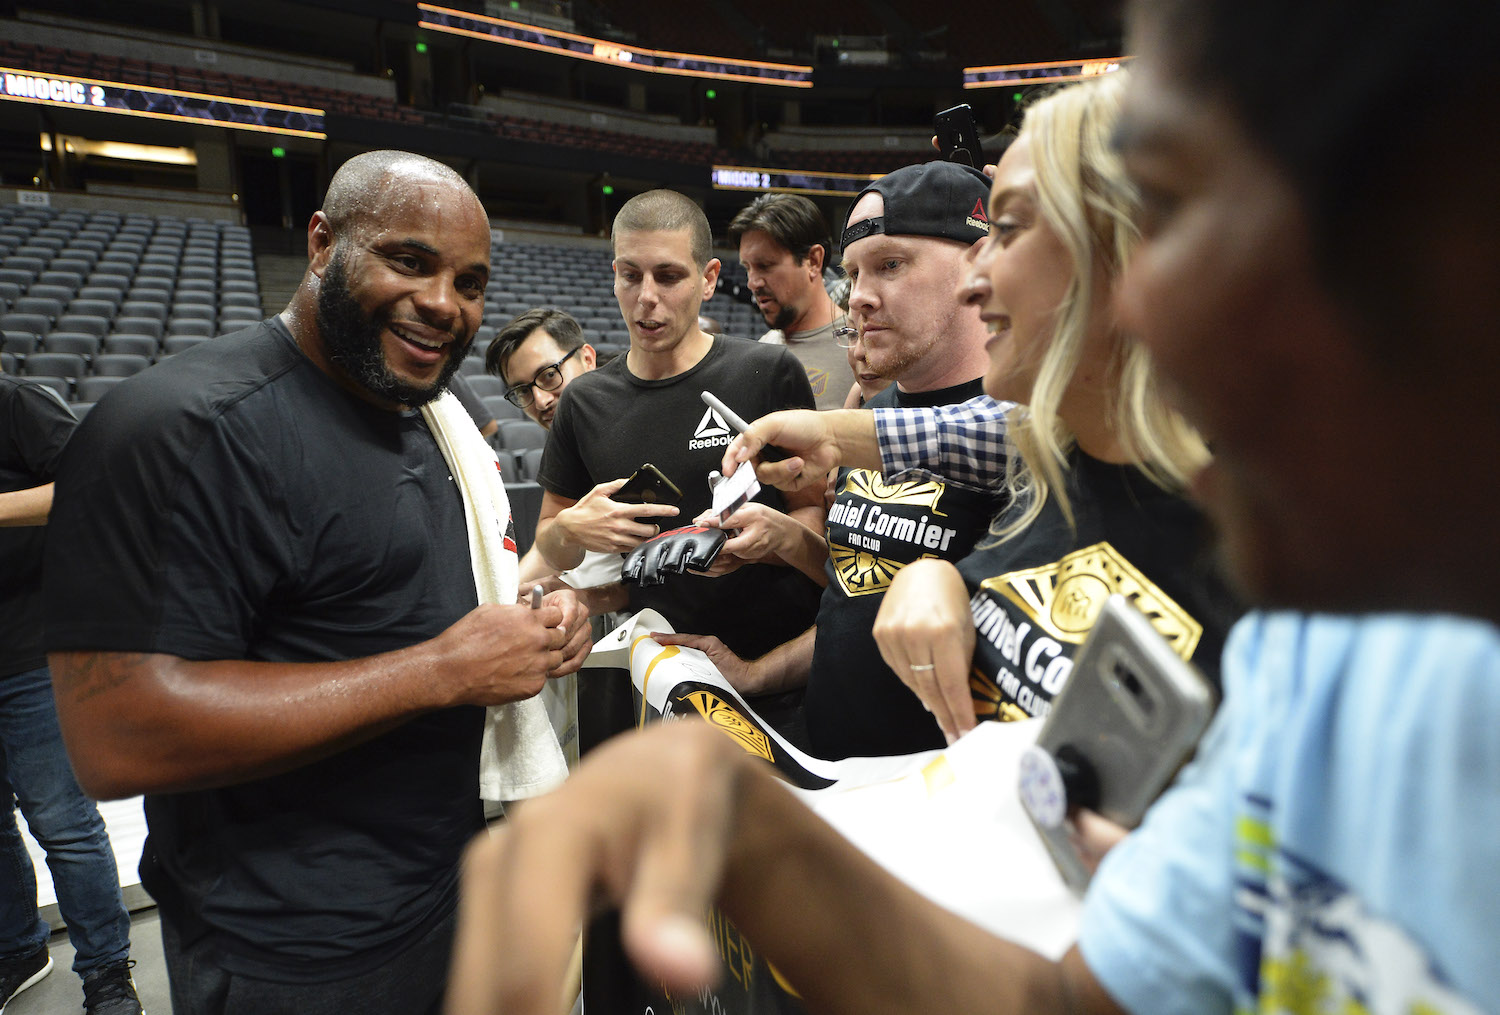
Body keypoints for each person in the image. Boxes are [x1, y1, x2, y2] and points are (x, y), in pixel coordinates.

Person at [447, 0, 1500, 1010]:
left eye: (1203, 212)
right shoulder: (1317, 651)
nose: (980, 279)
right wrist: (735, 815)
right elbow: (1073, 995)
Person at [42, 150, 590, 1015]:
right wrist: (442, 670)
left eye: (471, 281)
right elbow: (116, 736)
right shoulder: (173, 429)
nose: (445, 303)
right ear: (323, 243)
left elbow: (390, 620)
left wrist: (531, 624)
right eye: (409, 260)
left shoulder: (422, 421)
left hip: (440, 891)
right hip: (286, 950)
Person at [655, 160, 1007, 759]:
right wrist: (756, 663)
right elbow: (856, 596)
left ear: (981, 264)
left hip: (944, 793)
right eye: (854, 273)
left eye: (891, 265)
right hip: (835, 773)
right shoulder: (872, 410)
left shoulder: (1025, 428)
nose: (860, 298)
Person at [533, 189, 824, 662]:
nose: (646, 297)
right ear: (615, 278)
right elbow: (550, 538)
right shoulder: (583, 401)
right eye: (631, 276)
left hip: (778, 659)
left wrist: (763, 544)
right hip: (664, 668)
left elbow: (810, 513)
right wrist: (569, 529)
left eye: (668, 277)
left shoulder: (768, 371)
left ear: (709, 279)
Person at [0, 371, 141, 1015]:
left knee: (63, 824)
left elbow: (95, 482)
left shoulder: (15, 401)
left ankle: (107, 974)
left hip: (30, 647)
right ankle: (19, 949)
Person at [729, 193, 850, 408]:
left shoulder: (860, 349)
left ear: (813, 261)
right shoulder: (765, 347)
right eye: (747, 268)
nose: (752, 283)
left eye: (764, 266)